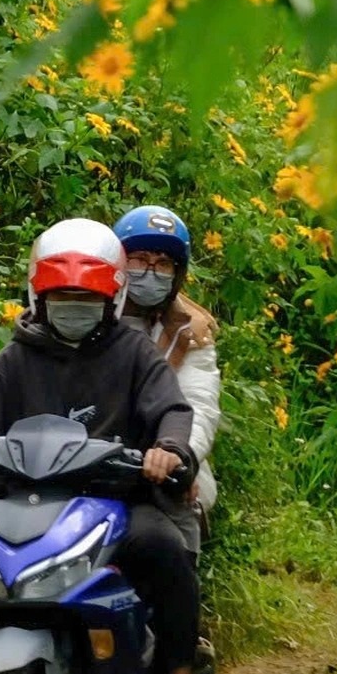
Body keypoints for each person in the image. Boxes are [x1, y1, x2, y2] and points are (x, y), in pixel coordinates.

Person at [0, 218, 205, 674]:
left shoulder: (135, 353)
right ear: (38, 295)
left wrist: (167, 451)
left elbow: (172, 409)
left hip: (114, 505)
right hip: (22, 501)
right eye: (62, 297)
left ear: (112, 300)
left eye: (87, 298)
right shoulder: (16, 355)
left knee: (166, 550)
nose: (74, 307)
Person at [113, 205, 222, 549]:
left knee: (179, 514)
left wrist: (180, 458)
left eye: (162, 264)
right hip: (85, 447)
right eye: (139, 259)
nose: (150, 272)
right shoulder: (86, 309)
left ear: (177, 274)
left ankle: (177, 596)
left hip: (161, 454)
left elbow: (200, 406)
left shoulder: (191, 331)